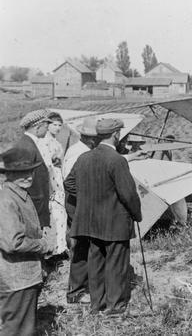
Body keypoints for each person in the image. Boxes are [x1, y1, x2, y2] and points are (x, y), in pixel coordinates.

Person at [64, 119, 142, 315]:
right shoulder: (117, 160)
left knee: (96, 263)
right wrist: (137, 214)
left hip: (90, 222)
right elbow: (128, 194)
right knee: (116, 264)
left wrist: (88, 199)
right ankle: (115, 307)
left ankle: (96, 305)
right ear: (116, 134)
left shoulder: (84, 158)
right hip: (115, 222)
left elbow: (69, 183)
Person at [0, 147, 54, 335]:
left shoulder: (19, 194)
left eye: (30, 170)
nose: (28, 176)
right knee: (16, 330)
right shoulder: (6, 200)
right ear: (8, 173)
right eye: (20, 172)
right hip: (16, 279)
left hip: (24, 276)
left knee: (24, 328)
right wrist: (43, 245)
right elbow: (12, 243)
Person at [62, 116, 99, 305]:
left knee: (84, 245)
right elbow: (69, 183)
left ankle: (82, 288)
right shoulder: (79, 153)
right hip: (78, 205)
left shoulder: (82, 150)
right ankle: (76, 291)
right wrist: (89, 198)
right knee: (82, 246)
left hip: (81, 204)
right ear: (91, 138)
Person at [12, 109, 52, 229]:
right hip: (31, 207)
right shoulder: (27, 146)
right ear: (37, 127)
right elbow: (21, 181)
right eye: (46, 126)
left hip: (34, 205)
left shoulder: (29, 143)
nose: (47, 129)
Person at [39, 112, 69, 255]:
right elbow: (47, 165)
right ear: (48, 125)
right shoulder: (44, 141)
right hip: (50, 179)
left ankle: (60, 246)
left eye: (59, 125)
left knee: (60, 213)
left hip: (58, 177)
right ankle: (56, 249)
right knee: (55, 213)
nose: (57, 128)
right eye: (54, 124)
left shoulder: (57, 142)